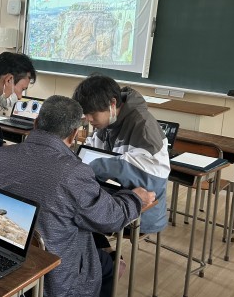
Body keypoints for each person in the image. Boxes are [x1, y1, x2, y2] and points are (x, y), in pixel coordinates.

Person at [0, 95, 155, 297]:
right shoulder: (73, 173)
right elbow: (111, 219)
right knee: (107, 265)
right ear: (73, 135)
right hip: (49, 275)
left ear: (36, 123)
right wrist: (135, 198)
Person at [72, 74, 170, 234]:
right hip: (112, 199)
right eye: (86, 113)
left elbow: (151, 177)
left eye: (93, 113)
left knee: (77, 221)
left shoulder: (143, 126)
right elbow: (90, 151)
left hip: (141, 211)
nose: (89, 119)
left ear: (112, 103)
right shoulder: (106, 122)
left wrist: (92, 167)